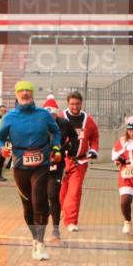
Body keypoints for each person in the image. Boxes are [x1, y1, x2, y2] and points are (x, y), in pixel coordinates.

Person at [0, 80, 61, 260]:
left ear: (32, 94)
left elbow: (56, 132)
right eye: (21, 91)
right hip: (20, 165)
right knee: (27, 205)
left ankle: (40, 243)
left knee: (39, 201)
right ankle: (35, 238)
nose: (25, 94)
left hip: (41, 163)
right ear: (16, 95)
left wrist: (56, 148)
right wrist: (2, 149)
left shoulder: (43, 115)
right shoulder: (9, 117)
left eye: (28, 91)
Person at [59, 91, 100, 232]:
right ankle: (61, 209)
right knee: (61, 190)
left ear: (81, 103)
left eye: (77, 104)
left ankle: (71, 221)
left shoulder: (88, 120)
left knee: (74, 191)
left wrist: (93, 150)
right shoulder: (60, 117)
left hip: (80, 162)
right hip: (62, 161)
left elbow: (94, 137)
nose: (74, 107)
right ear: (67, 103)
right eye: (72, 104)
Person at [42, 95, 79, 241]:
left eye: (52, 115)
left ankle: (55, 229)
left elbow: (74, 136)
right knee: (40, 197)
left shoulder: (64, 123)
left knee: (52, 195)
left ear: (56, 114)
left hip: (57, 164)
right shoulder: (39, 123)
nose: (50, 118)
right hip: (41, 164)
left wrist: (71, 149)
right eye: (47, 115)